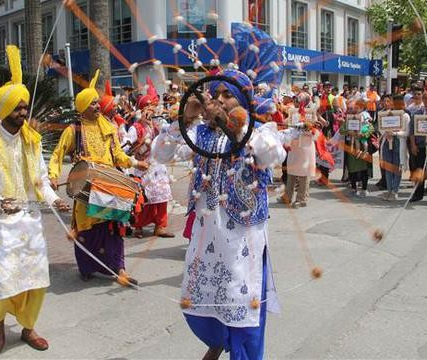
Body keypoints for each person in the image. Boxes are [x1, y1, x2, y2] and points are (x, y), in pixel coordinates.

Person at [153, 69, 287, 360]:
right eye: (217, 94)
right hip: (207, 234)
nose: (221, 100)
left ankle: (241, 351)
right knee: (207, 301)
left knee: (241, 301)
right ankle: (219, 342)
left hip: (242, 237)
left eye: (229, 95)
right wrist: (186, 116)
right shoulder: (200, 133)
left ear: (242, 100)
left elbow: (273, 156)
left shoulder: (257, 131)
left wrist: (235, 126)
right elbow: (162, 154)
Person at [0, 46, 69, 352]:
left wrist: (54, 199)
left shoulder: (32, 141)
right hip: (1, 224)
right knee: (7, 278)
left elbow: (39, 178)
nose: (24, 113)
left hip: (30, 220)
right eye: (17, 108)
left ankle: (27, 326)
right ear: (2, 111)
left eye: (25, 107)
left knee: (37, 278)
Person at [48, 69, 148, 283]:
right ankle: (88, 267)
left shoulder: (108, 128)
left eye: (97, 102)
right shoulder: (73, 130)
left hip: (108, 185)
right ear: (83, 107)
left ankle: (119, 269)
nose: (97, 106)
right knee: (87, 230)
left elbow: (118, 155)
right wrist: (53, 175)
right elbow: (57, 154)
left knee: (113, 227)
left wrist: (136, 162)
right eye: (92, 103)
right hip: (85, 187)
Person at [122, 77, 174, 239]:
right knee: (143, 198)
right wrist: (138, 147)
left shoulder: (158, 125)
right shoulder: (135, 128)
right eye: (149, 108)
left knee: (161, 196)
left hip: (158, 167)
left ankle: (160, 226)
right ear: (143, 109)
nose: (152, 111)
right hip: (142, 167)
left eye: (153, 108)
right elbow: (125, 148)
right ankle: (138, 226)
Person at [379, 95, 410, 201]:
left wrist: (395, 133)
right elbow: (381, 128)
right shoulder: (387, 114)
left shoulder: (405, 116)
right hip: (387, 142)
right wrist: (386, 133)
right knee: (388, 168)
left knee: (397, 168)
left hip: (398, 143)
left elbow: (407, 132)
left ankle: (395, 191)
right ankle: (389, 190)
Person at [341, 100, 373, 197]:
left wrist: (363, 134)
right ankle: (354, 188)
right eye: (352, 108)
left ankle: (364, 189)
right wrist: (349, 132)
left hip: (362, 147)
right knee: (352, 168)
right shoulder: (348, 119)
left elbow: (371, 129)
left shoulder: (365, 118)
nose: (354, 110)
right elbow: (341, 130)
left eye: (356, 108)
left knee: (364, 169)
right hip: (351, 148)